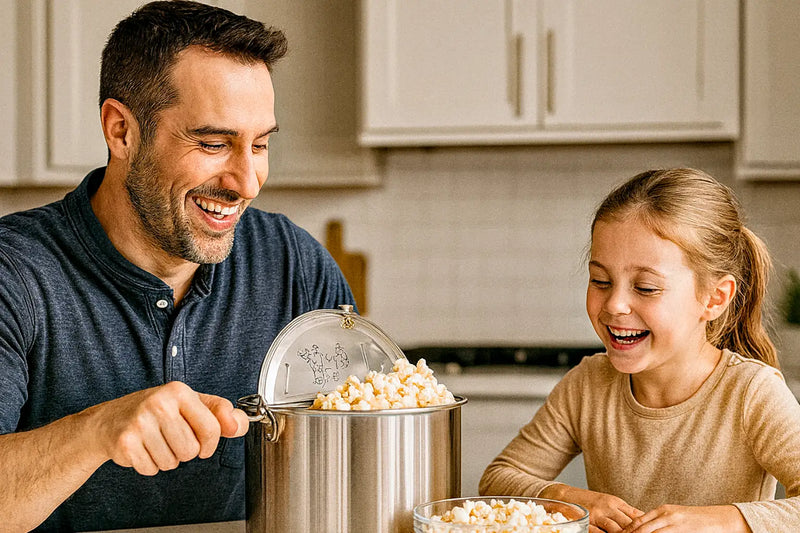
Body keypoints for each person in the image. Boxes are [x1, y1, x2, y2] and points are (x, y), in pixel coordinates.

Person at [0, 1, 355, 531]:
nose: (246, 181)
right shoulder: (15, 273)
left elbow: (356, 451)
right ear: (121, 131)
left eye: (259, 145)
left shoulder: (294, 264)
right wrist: (99, 428)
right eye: (213, 143)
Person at [480, 168, 800, 533]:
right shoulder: (587, 385)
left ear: (714, 298)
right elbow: (498, 480)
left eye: (646, 288)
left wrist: (720, 520)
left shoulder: (751, 394)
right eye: (600, 281)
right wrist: (572, 499)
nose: (614, 304)